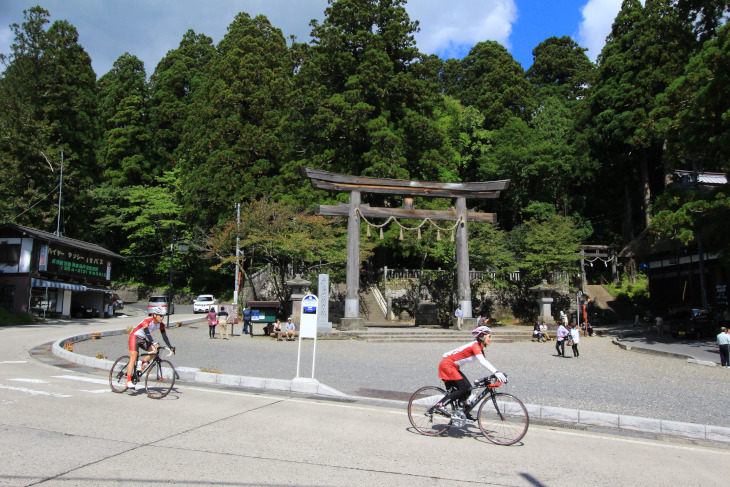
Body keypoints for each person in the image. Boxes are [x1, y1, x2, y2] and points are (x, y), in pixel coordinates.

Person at [434, 323, 507, 419]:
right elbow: (482, 361)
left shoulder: (479, 347)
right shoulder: (475, 345)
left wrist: (496, 373)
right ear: (482, 336)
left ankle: (464, 411)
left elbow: (486, 361)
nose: (491, 339)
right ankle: (441, 405)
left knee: (468, 388)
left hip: (453, 366)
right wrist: (496, 372)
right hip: (448, 365)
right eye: (489, 336)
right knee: (463, 388)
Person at [126, 307, 175, 389]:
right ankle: (128, 381)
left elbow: (164, 336)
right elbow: (147, 332)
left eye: (163, 316)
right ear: (155, 315)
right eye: (160, 316)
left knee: (155, 352)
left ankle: (141, 362)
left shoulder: (161, 324)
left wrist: (170, 347)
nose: (162, 318)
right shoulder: (147, 321)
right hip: (135, 337)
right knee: (133, 357)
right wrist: (153, 342)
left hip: (143, 339)